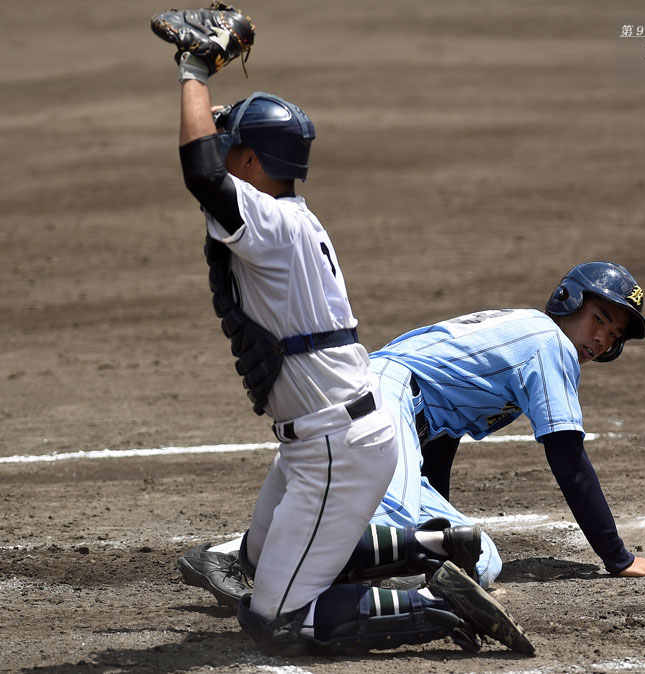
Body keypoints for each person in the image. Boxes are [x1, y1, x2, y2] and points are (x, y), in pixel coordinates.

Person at [163, 14, 534, 656]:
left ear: (251, 161)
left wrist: (193, 72)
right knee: (258, 561)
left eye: (233, 145)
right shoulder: (281, 217)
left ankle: (434, 604)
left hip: (335, 443)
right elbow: (215, 177)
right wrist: (212, 108)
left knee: (275, 620)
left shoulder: (271, 227)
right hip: (331, 437)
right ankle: (435, 547)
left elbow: (203, 175)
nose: (221, 149)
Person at [177, 261, 645, 609]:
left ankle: (246, 553)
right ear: (570, 301)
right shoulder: (548, 345)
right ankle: (304, 587)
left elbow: (440, 437)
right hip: (379, 409)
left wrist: (434, 515)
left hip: (357, 403)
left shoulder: (522, 332)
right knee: (472, 557)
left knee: (448, 544)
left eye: (615, 334)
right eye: (599, 318)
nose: (601, 338)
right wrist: (618, 559)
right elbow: (567, 456)